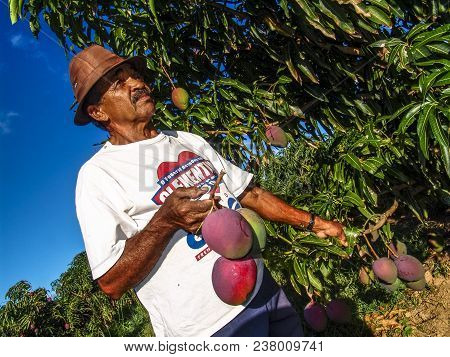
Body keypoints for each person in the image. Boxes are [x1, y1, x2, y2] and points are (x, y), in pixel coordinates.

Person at [71, 45, 347, 337]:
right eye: (119, 82)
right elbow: (110, 283)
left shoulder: (187, 141)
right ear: (97, 111)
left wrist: (314, 223)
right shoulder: (98, 175)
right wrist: (165, 222)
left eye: (134, 74)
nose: (138, 83)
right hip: (209, 329)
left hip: (265, 291)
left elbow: (249, 194)